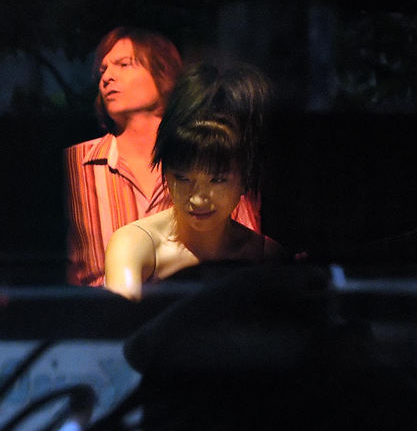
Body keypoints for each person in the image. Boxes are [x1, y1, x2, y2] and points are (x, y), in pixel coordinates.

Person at [64, 26, 261, 287]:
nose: (108, 76)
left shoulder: (214, 156)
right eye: (102, 70)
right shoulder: (75, 163)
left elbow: (248, 249)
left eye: (124, 64)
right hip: (104, 318)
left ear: (164, 72)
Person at [103, 62, 286, 301]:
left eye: (218, 180)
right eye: (182, 177)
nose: (198, 198)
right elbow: (118, 327)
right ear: (165, 171)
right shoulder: (135, 245)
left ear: (246, 177)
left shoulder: (267, 255)